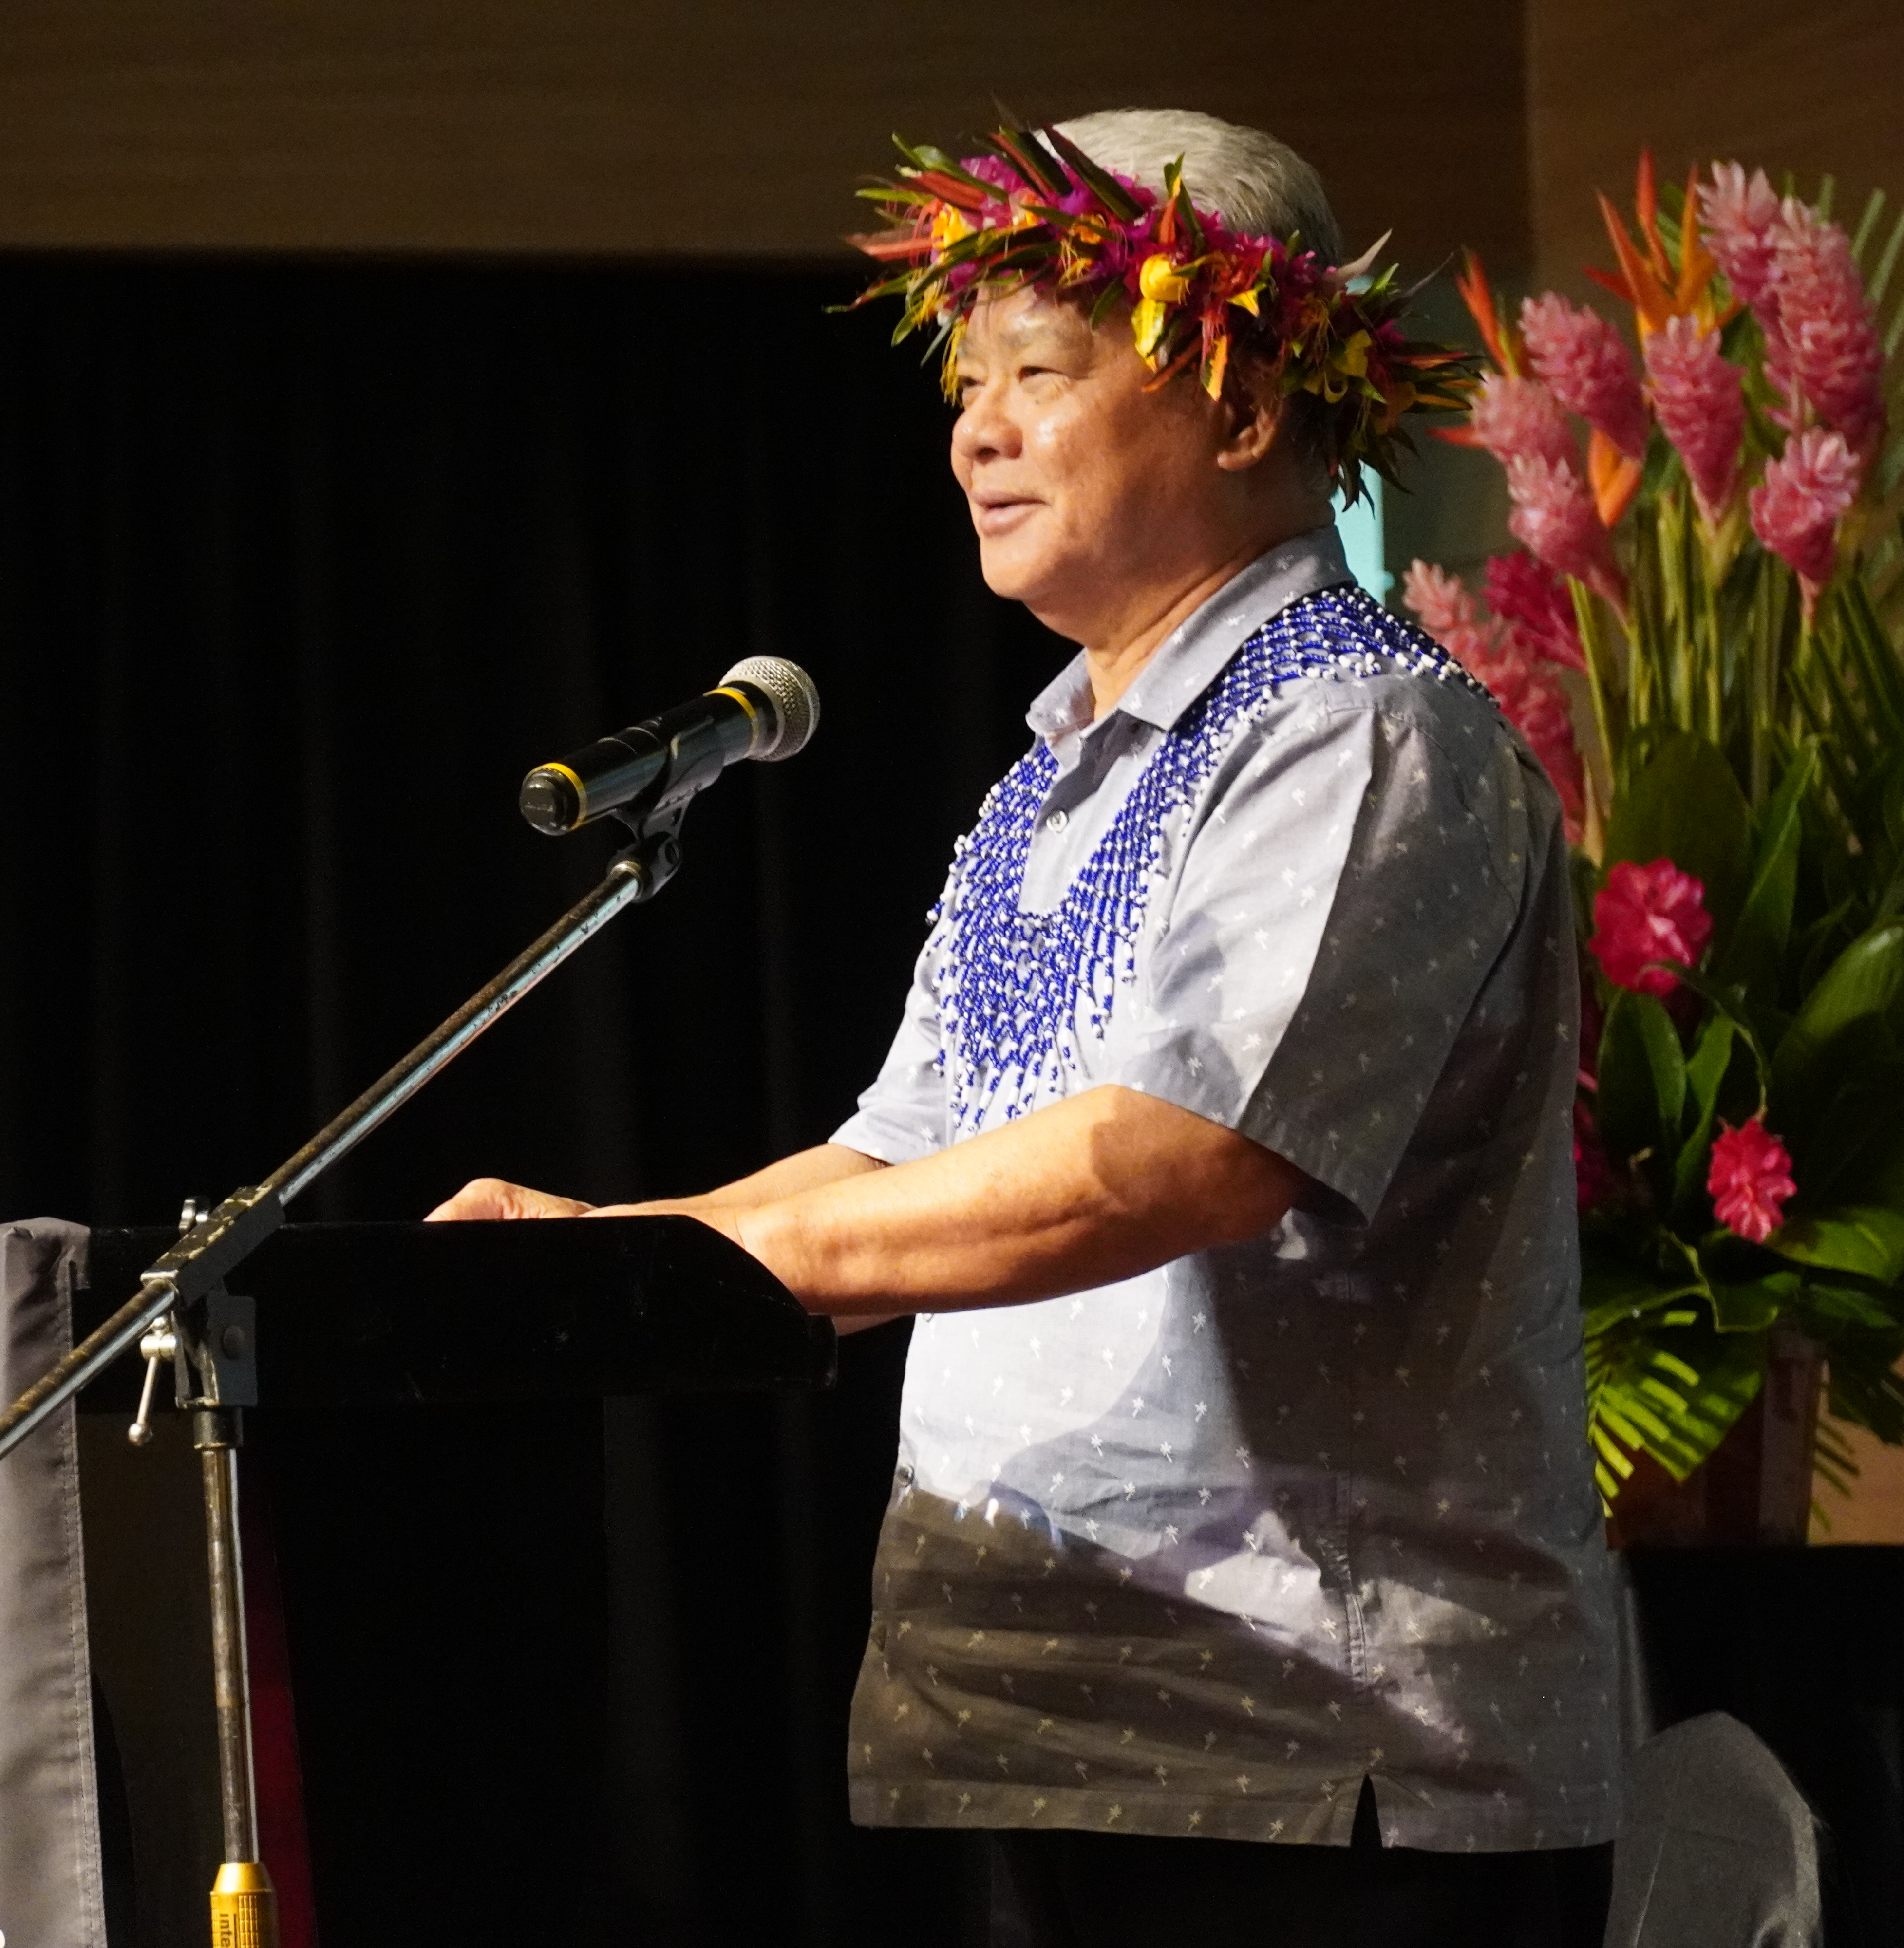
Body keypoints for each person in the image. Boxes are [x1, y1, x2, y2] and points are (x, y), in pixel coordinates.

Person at [431, 108, 1621, 1945]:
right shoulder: (1049, 787)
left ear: (1237, 405)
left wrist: (675, 1259)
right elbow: (904, 1158)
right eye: (967, 380)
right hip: (1034, 1729)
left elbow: (1172, 1160)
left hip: (1320, 1773)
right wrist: (620, 1260)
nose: (973, 429)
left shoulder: (1367, 738)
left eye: (1040, 372)